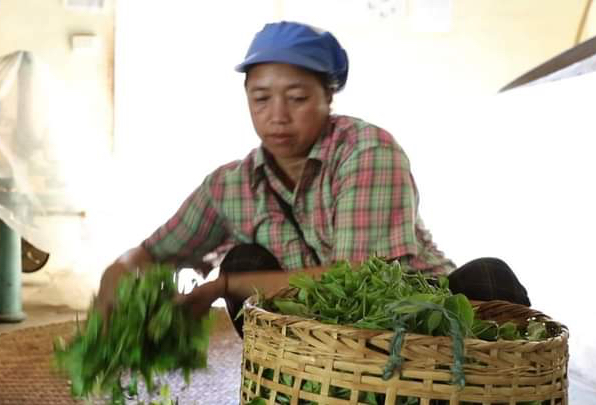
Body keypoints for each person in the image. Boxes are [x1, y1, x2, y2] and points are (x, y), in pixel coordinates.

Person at [96, 21, 530, 334]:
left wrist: (225, 286)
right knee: (245, 261)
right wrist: (115, 278)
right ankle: (288, 378)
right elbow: (152, 252)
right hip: (315, 334)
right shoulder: (230, 186)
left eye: (298, 98)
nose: (277, 116)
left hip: (413, 319)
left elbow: (364, 283)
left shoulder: (367, 151)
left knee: (488, 278)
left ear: (329, 96)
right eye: (261, 98)